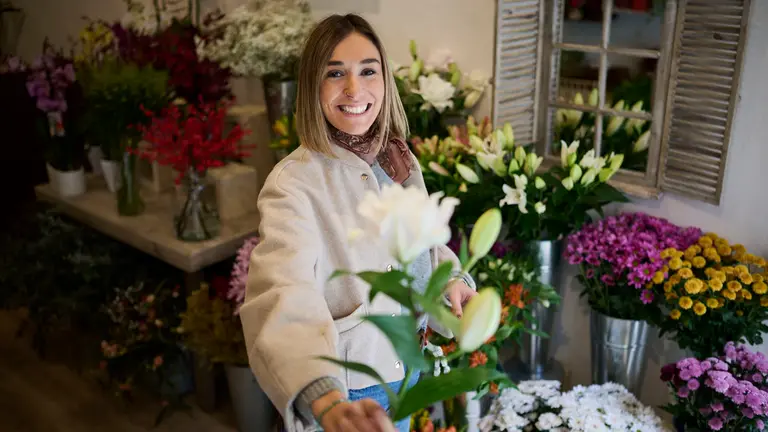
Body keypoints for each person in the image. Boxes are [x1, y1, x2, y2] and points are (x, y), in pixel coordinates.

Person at [240, 14, 476, 432]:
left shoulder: (396, 159)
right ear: (314, 85)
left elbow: (419, 244)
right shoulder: (293, 183)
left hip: (406, 373)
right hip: (351, 393)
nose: (354, 89)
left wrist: (453, 282)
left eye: (368, 71)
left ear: (385, 80)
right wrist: (327, 402)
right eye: (335, 74)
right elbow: (282, 294)